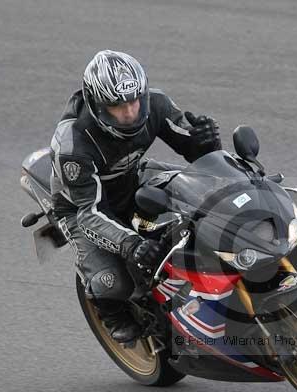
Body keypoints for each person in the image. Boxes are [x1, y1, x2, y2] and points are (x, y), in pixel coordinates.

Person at [49, 50, 221, 344]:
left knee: (206, 196)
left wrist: (207, 141)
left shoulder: (156, 104)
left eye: (133, 101)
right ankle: (110, 312)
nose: (129, 112)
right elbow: (88, 214)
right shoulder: (73, 144)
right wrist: (132, 244)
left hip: (133, 178)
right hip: (82, 208)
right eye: (117, 107)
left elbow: (196, 153)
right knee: (112, 283)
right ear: (97, 105)